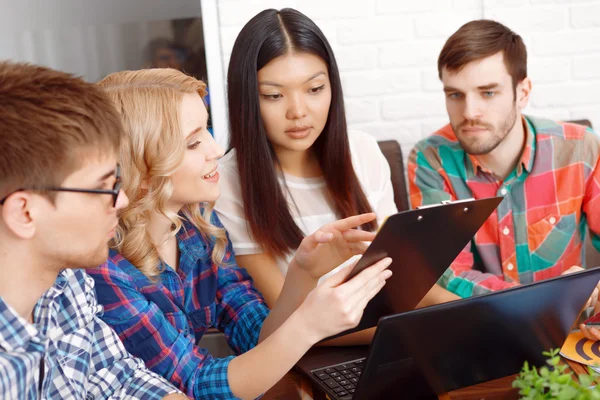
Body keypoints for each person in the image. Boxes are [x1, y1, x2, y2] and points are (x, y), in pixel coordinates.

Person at [87, 67, 392, 399]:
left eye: (207, 130)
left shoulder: (197, 233)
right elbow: (199, 384)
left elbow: (257, 337)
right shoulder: (102, 268)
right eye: (193, 142)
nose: (216, 150)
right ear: (141, 168)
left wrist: (302, 273)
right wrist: (309, 325)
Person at [214, 8, 456, 328]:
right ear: (247, 99)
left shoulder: (363, 152)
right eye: (274, 95)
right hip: (311, 355)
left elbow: (405, 280)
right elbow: (285, 320)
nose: (298, 112)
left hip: (395, 334)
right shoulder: (227, 183)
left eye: (314, 89)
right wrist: (416, 327)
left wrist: (479, 313)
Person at [0, 61, 185, 399]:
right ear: (25, 212)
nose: (122, 200)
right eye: (104, 188)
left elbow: (120, 378)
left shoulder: (67, 281)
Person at [407, 19, 600, 340]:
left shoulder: (581, 148)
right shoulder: (430, 159)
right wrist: (540, 304)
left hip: (571, 333)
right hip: (485, 333)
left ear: (522, 92)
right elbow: (446, 274)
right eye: (455, 94)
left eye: (488, 93)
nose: (469, 111)